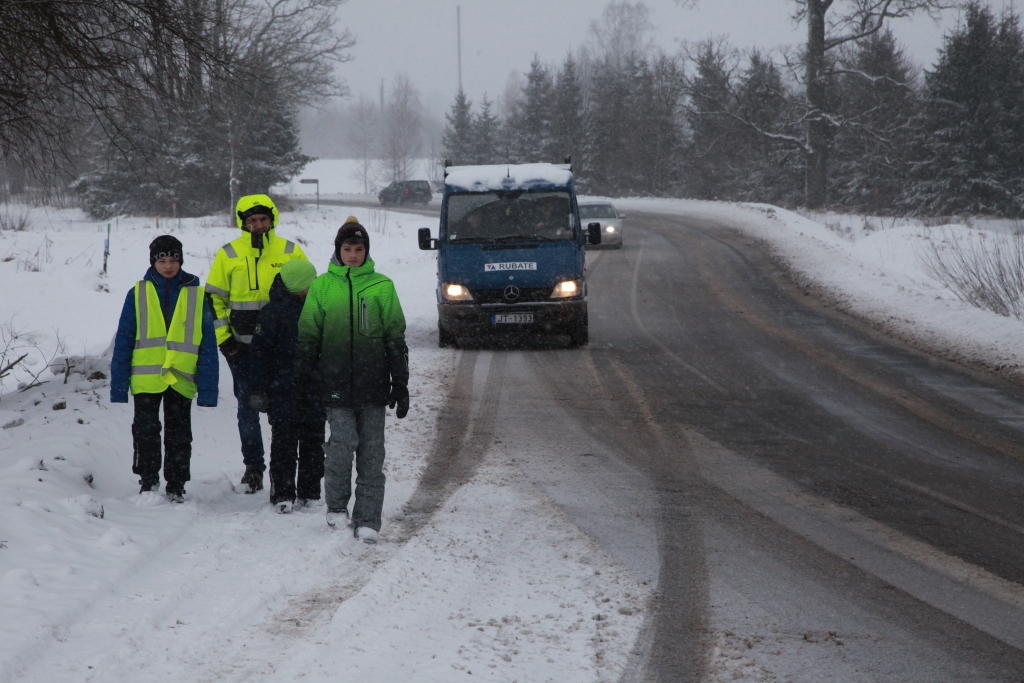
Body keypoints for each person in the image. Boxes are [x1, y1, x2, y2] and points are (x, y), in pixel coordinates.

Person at [297, 216, 409, 542]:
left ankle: (368, 519)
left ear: (366, 251)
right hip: (334, 385)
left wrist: (399, 382)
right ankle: (336, 509)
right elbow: (308, 337)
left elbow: (395, 338)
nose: (353, 255)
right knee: (342, 447)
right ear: (338, 250)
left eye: (359, 249)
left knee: (373, 454)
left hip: (373, 386)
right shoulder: (321, 286)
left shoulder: (382, 286)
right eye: (347, 248)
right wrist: (303, 379)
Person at [206, 194, 308, 494]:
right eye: (252, 221)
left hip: (284, 349)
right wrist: (225, 340)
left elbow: (307, 293)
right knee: (248, 407)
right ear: (243, 223)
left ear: (272, 219)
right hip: (243, 347)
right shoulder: (228, 253)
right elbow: (213, 299)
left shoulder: (290, 250)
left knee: (287, 407)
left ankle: (290, 469)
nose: (258, 225)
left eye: (263, 219)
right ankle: (253, 467)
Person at [110, 235, 219, 502]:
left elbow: (207, 344)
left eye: (173, 260)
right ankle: (148, 481)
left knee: (179, 435)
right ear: (153, 262)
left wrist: (208, 389)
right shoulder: (137, 293)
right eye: (162, 260)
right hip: (146, 379)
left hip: (181, 378)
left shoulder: (197, 293)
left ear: (181, 260)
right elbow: (124, 340)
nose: (168, 266)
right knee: (145, 432)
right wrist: (118, 385)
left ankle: (176, 484)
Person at [248, 259, 324, 514]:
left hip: (314, 389)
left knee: (313, 444)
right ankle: (282, 492)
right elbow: (259, 354)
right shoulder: (272, 313)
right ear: (299, 286)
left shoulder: (320, 308)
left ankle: (310, 491)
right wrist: (258, 389)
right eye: (310, 282)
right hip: (283, 392)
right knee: (284, 445)